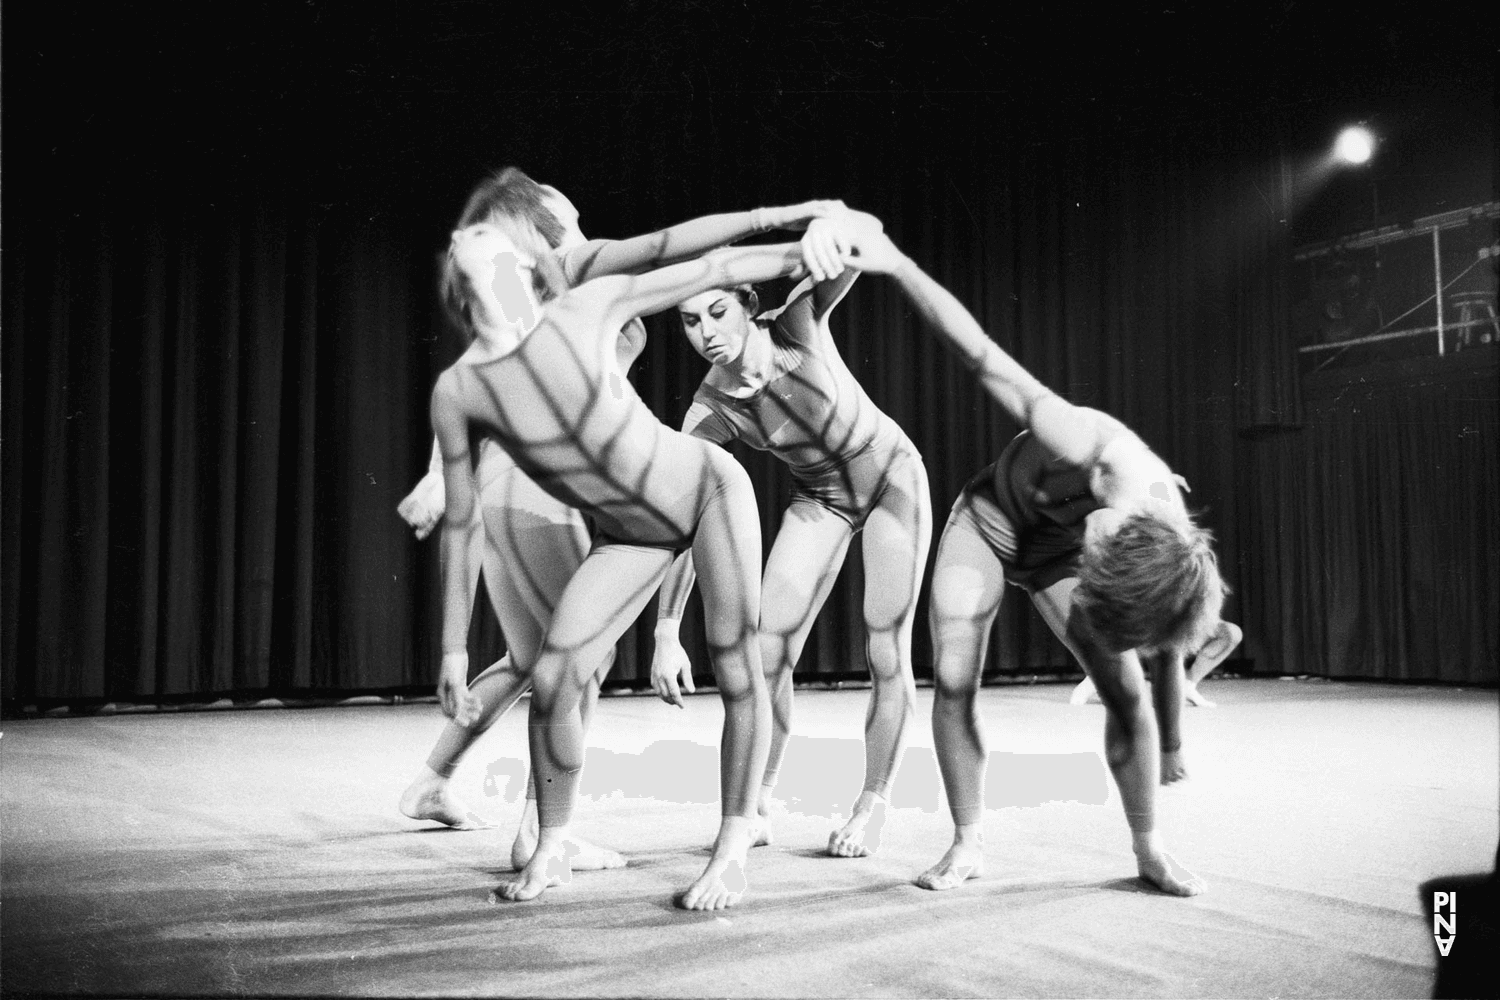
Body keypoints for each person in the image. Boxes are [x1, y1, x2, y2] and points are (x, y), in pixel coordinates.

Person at [397, 169, 840, 875]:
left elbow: (691, 266)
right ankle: (543, 830)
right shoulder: (565, 274)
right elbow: (674, 251)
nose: (580, 233)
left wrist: (790, 230)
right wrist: (785, 221)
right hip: (547, 492)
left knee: (537, 661)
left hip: (542, 487)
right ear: (531, 239)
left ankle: (441, 782)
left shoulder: (547, 297)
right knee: (570, 666)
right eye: (566, 222)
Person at [830, 210, 1224, 897]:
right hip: (990, 523)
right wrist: (896, 265)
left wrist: (1173, 741)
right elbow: (979, 354)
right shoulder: (1082, 441)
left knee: (1125, 691)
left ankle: (1150, 849)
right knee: (955, 677)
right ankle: (967, 843)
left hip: (1058, 549)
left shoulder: (1164, 549)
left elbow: (1164, 647)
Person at [649, 262, 931, 859]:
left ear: (749, 305)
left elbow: (847, 252)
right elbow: (690, 520)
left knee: (886, 648)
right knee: (767, 650)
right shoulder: (708, 409)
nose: (707, 332)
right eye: (691, 321)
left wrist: (822, 237)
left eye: (718, 312)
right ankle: (757, 804)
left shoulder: (797, 323)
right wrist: (666, 629)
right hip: (822, 497)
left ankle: (872, 805)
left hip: (891, 479)